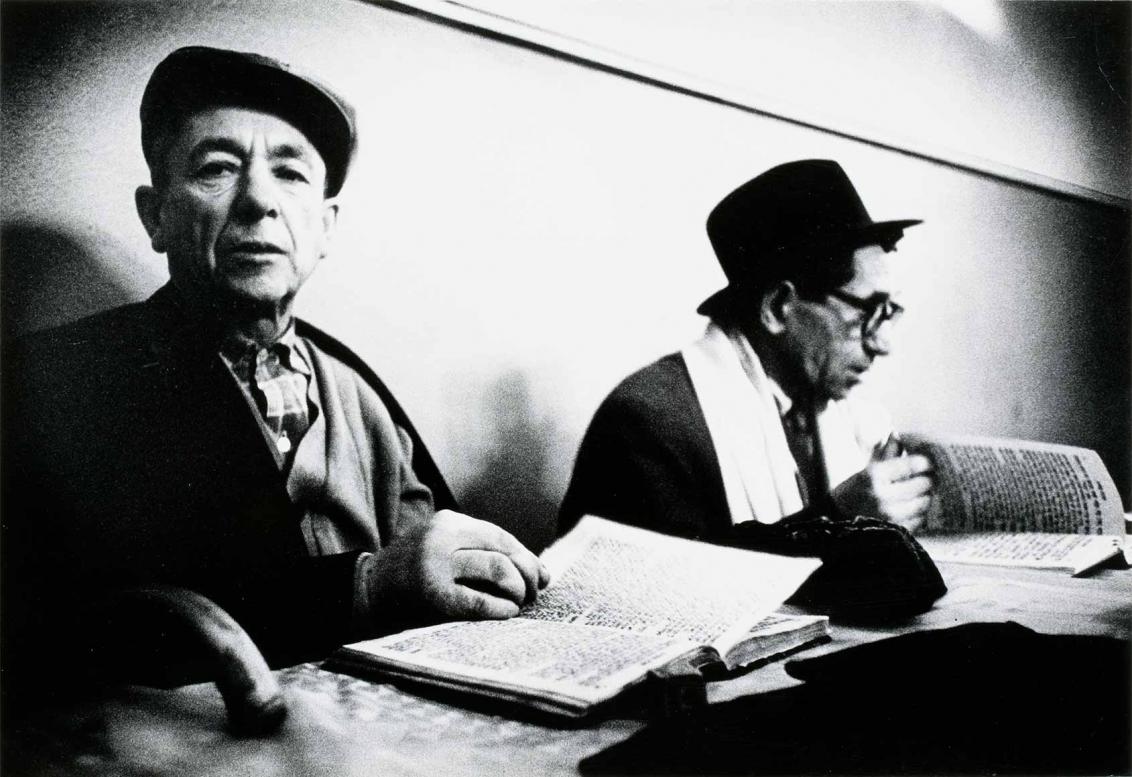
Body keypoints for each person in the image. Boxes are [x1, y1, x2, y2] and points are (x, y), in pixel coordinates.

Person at [1, 46, 547, 671]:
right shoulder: (55, 379)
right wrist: (366, 587)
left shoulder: (355, 385)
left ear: (325, 226)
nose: (259, 200)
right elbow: (59, 630)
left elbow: (436, 559)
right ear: (157, 216)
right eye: (216, 169)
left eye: (290, 174)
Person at [559, 159, 935, 542]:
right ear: (776, 308)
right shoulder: (650, 422)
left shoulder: (836, 411)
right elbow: (663, 592)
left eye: (888, 313)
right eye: (866, 312)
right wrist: (839, 521)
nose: (882, 344)